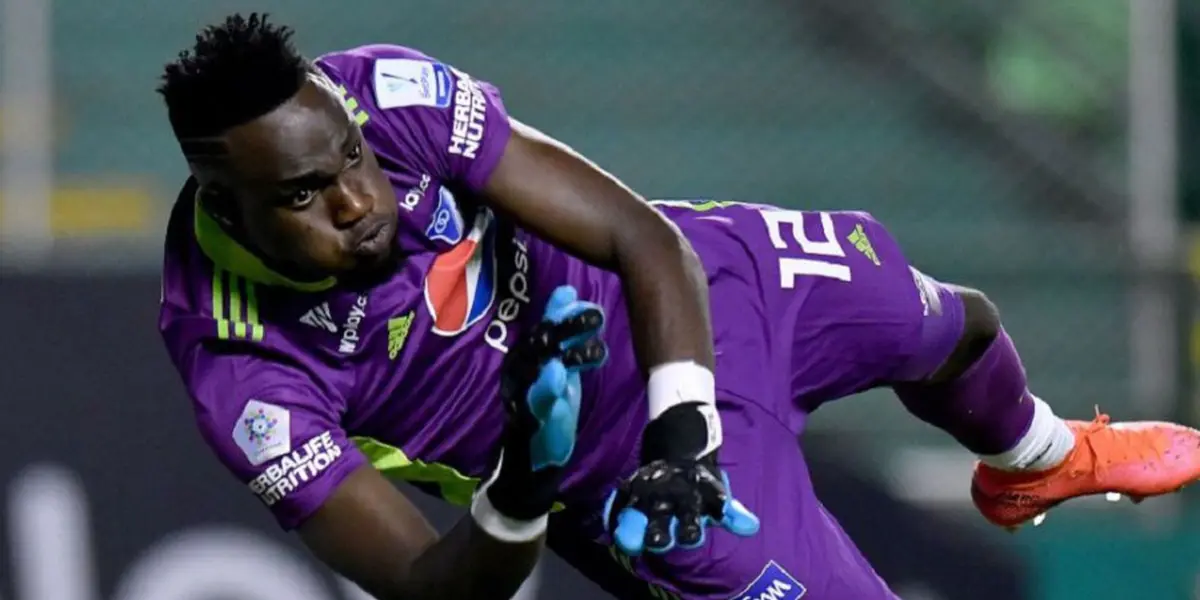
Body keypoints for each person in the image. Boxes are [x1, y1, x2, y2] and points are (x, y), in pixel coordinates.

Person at [156, 13, 1200, 600]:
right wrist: (523, 482)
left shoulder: (386, 95)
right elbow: (436, 596)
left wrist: (684, 427)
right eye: (302, 196)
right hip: (631, 493)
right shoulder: (242, 369)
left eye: (349, 161)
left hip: (695, 297)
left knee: (952, 324)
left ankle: (1036, 460)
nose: (356, 199)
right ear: (228, 206)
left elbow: (637, 236)